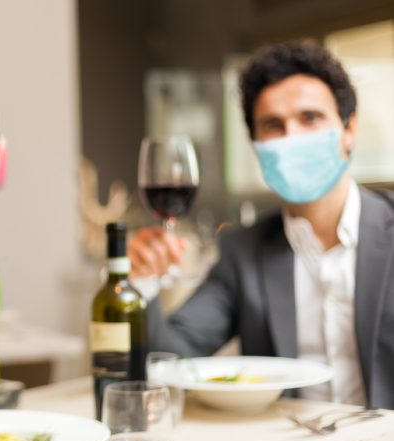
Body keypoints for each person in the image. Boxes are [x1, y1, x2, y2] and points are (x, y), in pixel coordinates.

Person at [128, 40, 394, 409]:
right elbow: (169, 360)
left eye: (310, 118)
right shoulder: (243, 252)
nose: (292, 138)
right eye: (273, 125)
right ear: (257, 148)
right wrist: (143, 282)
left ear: (349, 129)